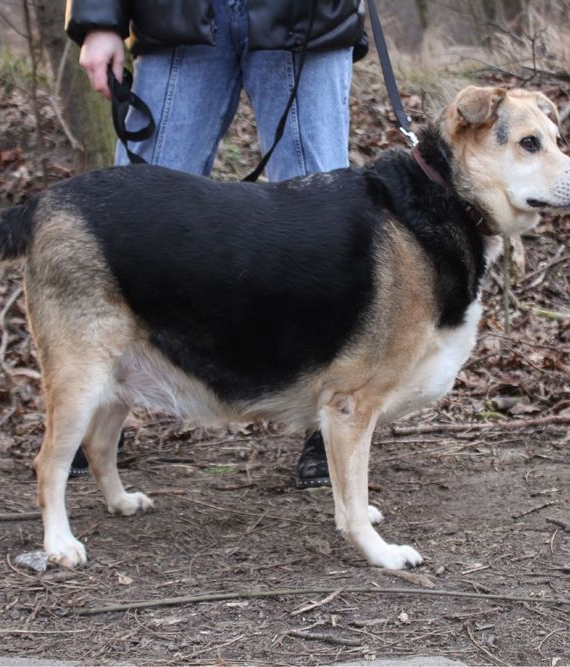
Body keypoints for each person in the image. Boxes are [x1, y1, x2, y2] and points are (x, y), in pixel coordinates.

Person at [63, 0, 367, 487]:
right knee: (133, 219)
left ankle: (331, 417)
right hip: (177, 13)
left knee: (326, 226)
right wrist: (99, 18)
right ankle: (94, 410)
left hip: (306, 14)